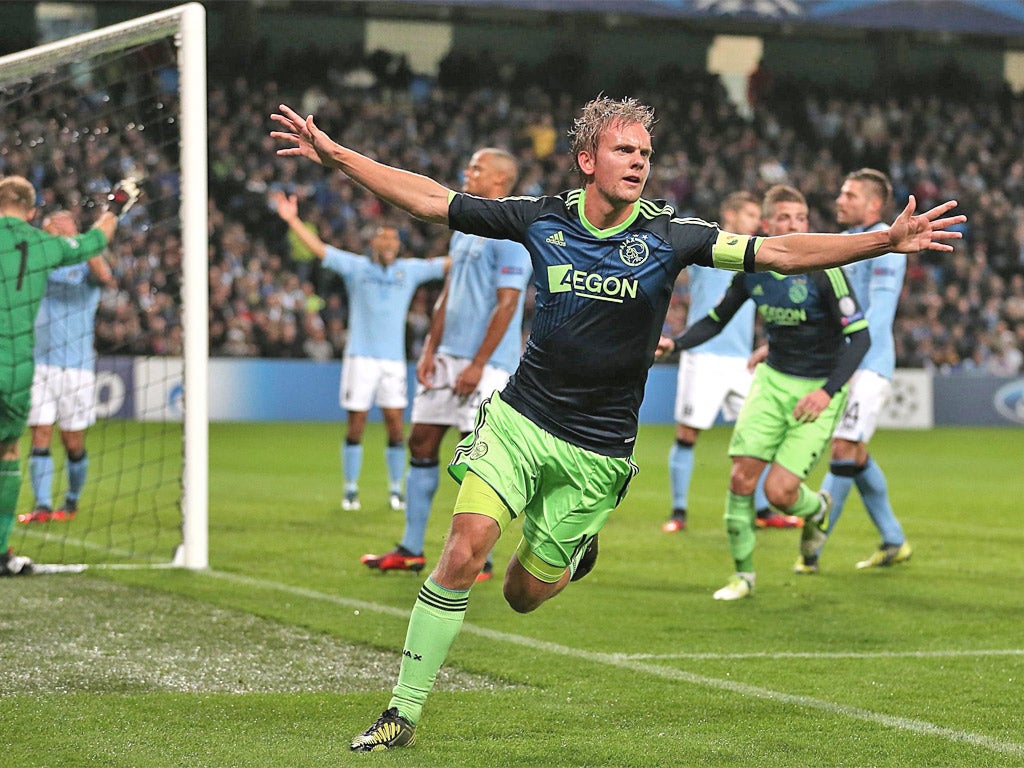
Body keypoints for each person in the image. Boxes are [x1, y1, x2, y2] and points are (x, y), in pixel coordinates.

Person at [271, 96, 964, 750]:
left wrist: (880, 241)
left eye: (646, 151)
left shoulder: (672, 236)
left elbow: (778, 252)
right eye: (624, 149)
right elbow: (429, 200)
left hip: (597, 452)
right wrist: (337, 156)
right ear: (587, 160)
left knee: (521, 596)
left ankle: (573, 553)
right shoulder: (540, 216)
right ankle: (402, 712)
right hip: (520, 418)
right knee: (461, 550)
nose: (639, 161)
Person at [658, 184, 871, 600]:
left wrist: (827, 393)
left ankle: (818, 509)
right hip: (772, 382)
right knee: (741, 478)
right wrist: (676, 343)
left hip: (817, 390)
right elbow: (717, 319)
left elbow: (859, 339)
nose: (794, 226)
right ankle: (743, 576)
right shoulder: (753, 272)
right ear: (769, 225)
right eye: (785, 219)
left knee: (780, 493)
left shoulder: (827, 271)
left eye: (801, 219)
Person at [358, 148, 532, 581]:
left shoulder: (512, 234)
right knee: (421, 442)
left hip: (487, 365)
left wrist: (478, 363)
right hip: (446, 357)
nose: (466, 172)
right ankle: (412, 548)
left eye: (476, 168)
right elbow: (447, 294)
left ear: (499, 180)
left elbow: (508, 304)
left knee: (480, 458)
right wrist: (430, 347)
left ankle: (481, 558)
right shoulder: (463, 229)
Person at [0, 175, 138, 576]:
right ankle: (4, 550)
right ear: (31, 212)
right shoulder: (43, 247)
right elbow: (96, 241)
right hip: (20, 365)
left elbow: (100, 266)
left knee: (68, 440)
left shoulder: (58, 255)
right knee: (10, 451)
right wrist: (115, 207)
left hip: (70, 365)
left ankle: (67, 501)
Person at [274, 193, 448, 512]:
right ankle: (351, 488)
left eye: (394, 240)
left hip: (393, 362)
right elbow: (319, 249)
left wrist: (486, 231)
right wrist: (292, 220)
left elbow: (451, 264)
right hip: (361, 358)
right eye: (384, 239)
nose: (390, 244)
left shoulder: (409, 271)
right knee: (356, 424)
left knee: (396, 425)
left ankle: (396, 489)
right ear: (374, 245)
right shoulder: (356, 267)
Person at [796, 169, 912, 573]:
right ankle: (894, 539)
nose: (839, 200)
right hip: (843, 359)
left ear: (874, 205)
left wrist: (852, 355)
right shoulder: (842, 244)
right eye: (841, 193)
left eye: (849, 194)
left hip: (869, 361)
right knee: (855, 454)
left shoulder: (889, 241)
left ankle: (812, 547)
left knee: (843, 448)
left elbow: (879, 312)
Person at [665, 191, 800, 533]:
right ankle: (678, 512)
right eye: (751, 213)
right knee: (687, 434)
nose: (756, 220)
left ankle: (763, 510)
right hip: (703, 356)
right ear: (730, 213)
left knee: (760, 435)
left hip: (743, 360)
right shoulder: (704, 246)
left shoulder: (755, 256)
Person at [17, 210, 116, 524]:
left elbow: (106, 277)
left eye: (66, 221)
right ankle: (43, 507)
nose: (59, 225)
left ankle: (70, 503)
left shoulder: (86, 266)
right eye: (53, 222)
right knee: (40, 433)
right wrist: (49, 237)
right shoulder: (40, 262)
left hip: (77, 368)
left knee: (73, 441)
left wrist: (79, 243)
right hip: (40, 364)